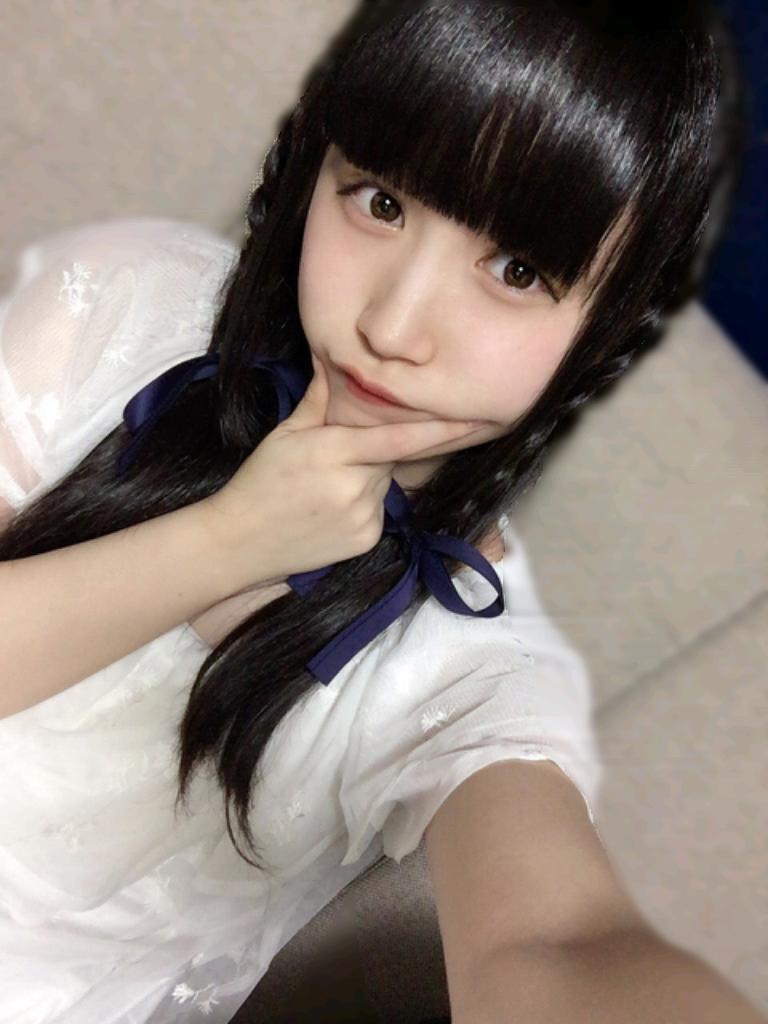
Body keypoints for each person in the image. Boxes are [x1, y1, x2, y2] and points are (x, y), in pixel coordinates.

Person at [0, 1, 753, 1021]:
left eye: (517, 271)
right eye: (382, 202)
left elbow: (555, 942)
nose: (392, 326)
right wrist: (231, 539)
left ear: (605, 326)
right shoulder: (129, 306)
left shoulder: (469, 658)